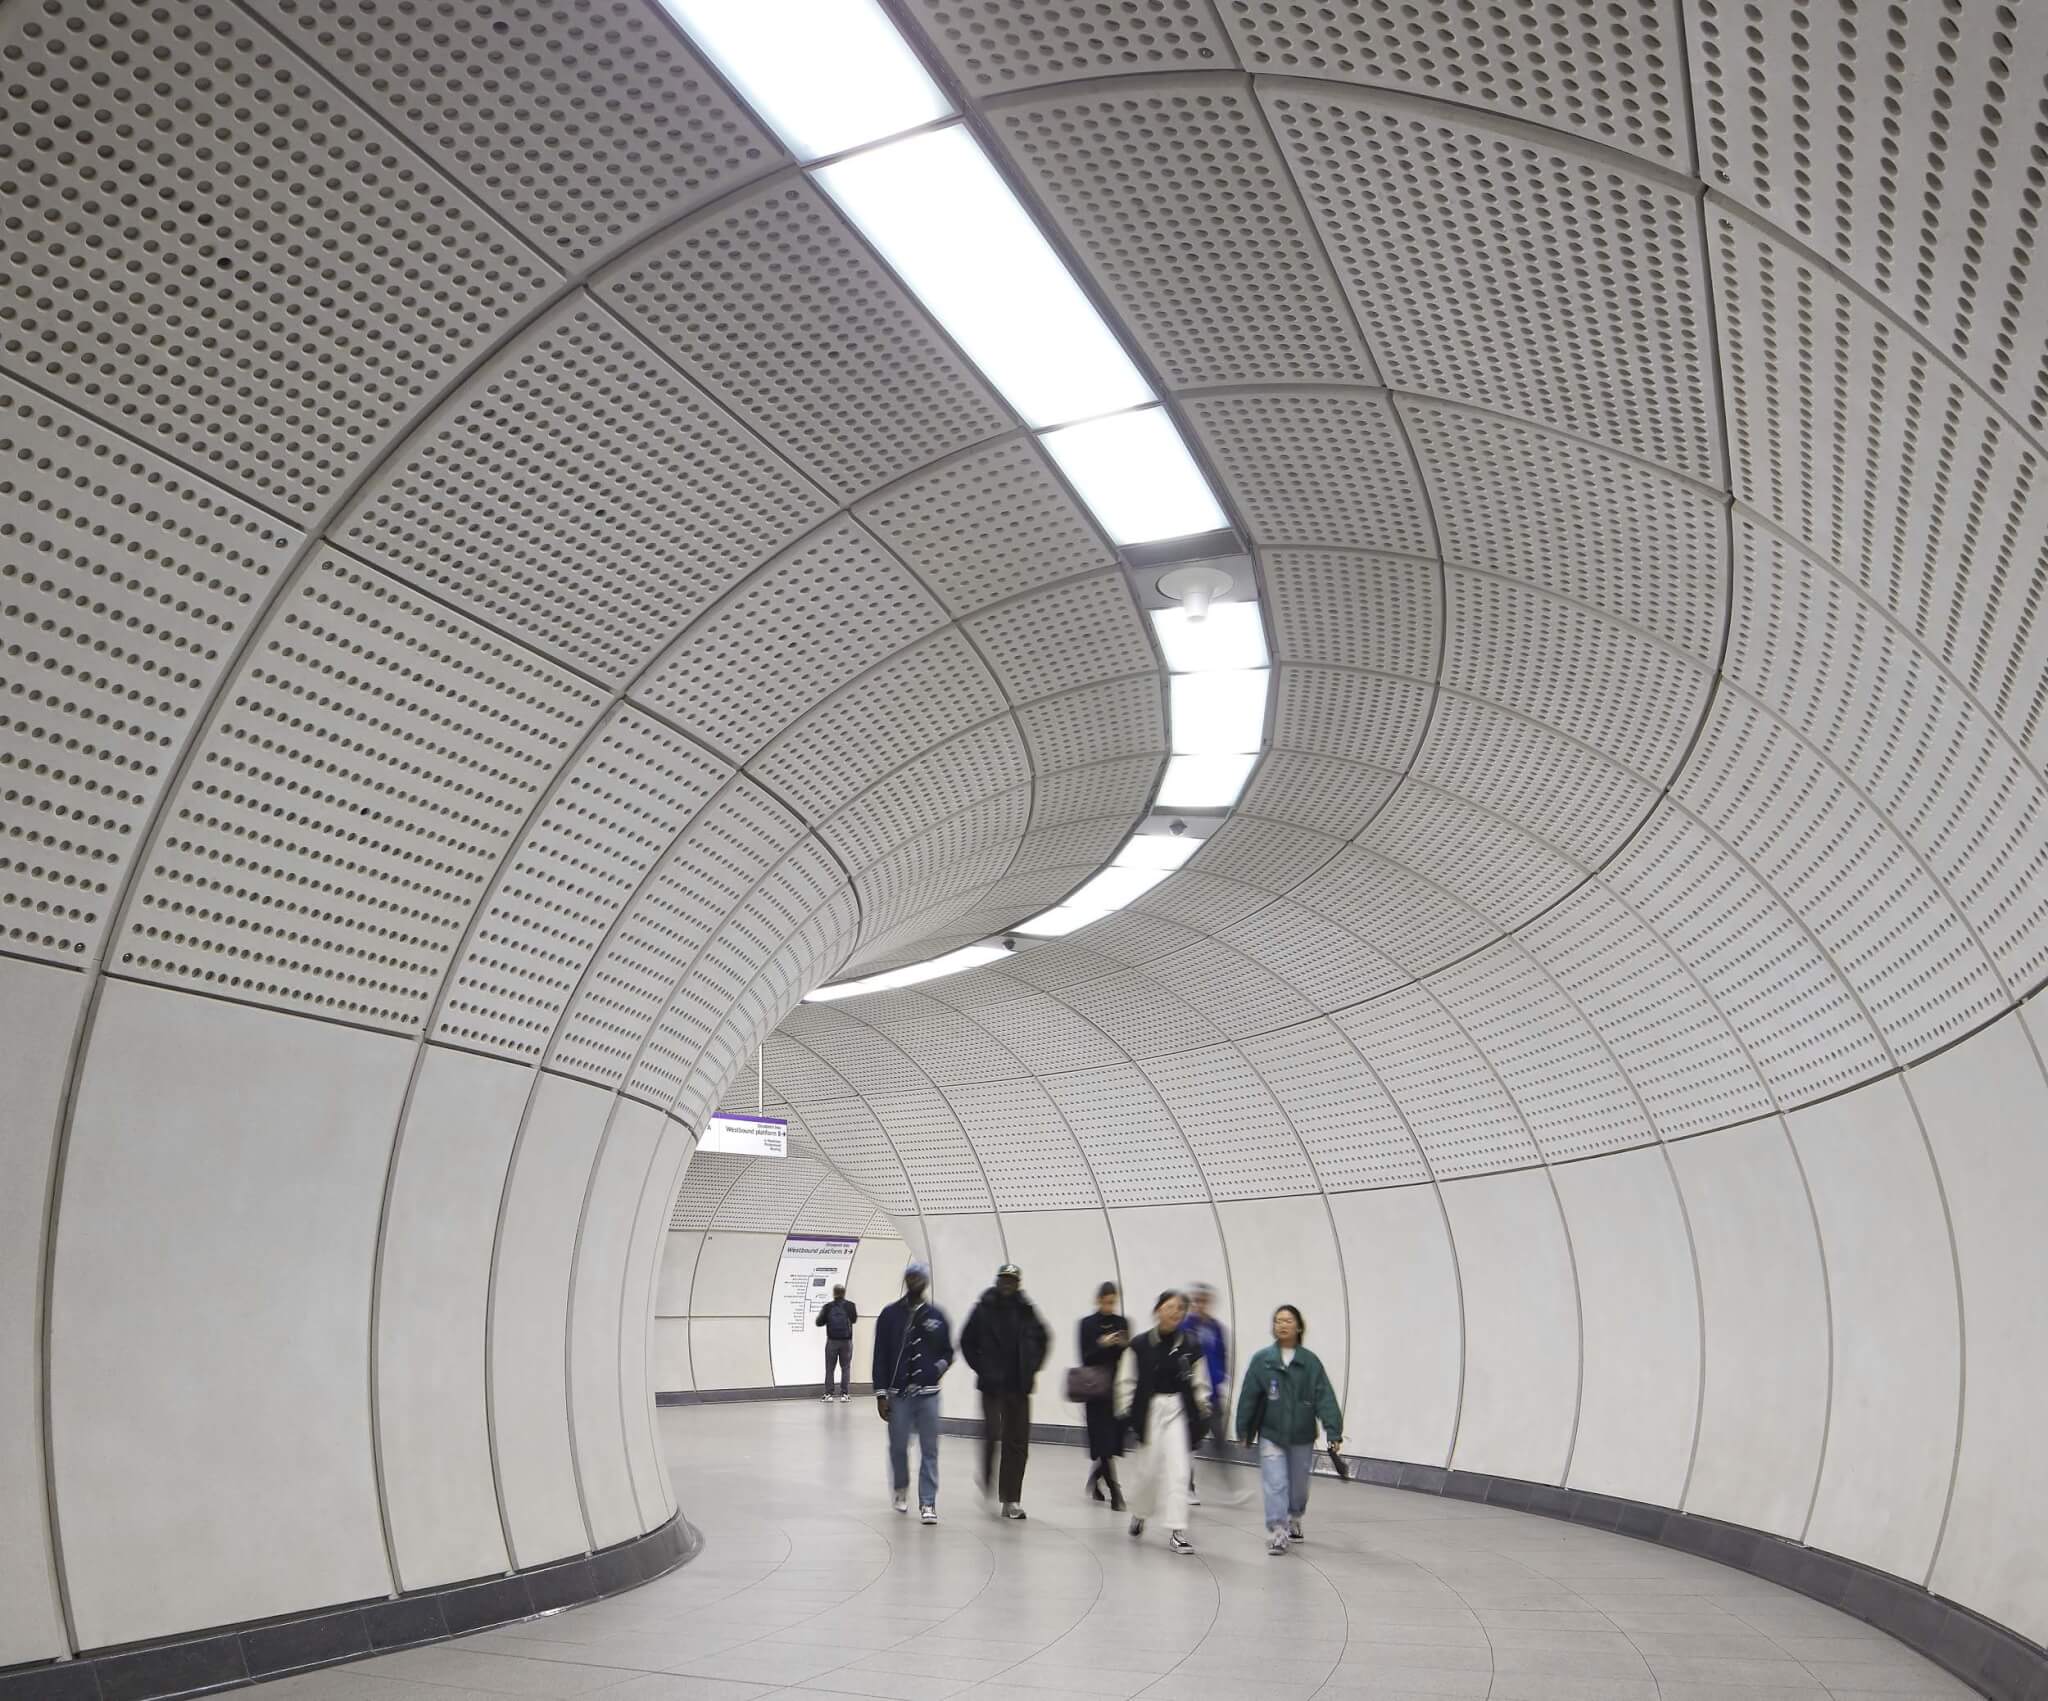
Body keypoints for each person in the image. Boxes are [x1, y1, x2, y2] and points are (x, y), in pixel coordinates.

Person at [1235, 1304, 1344, 1556]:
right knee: (1274, 1483)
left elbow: (1324, 1397)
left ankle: (1295, 1515)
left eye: (1288, 1320)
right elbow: (1248, 1396)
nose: (1282, 1324)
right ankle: (1278, 1531)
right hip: (1271, 1433)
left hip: (1302, 1435)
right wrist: (1243, 1429)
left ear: (1299, 1326)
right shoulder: (1262, 1361)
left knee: (1298, 1487)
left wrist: (1333, 1431)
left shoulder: (1310, 1362)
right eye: (1278, 1320)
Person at [1113, 1290, 1210, 1554]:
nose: (1174, 1312)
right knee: (1148, 1469)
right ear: (1158, 1310)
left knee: (1179, 1471)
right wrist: (1126, 1410)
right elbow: (1126, 1380)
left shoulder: (1191, 1345)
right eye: (1169, 1307)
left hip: (1178, 1408)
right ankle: (1140, 1513)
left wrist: (1203, 1407)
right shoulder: (1140, 1344)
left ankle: (1177, 1531)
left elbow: (1200, 1381)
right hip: (1150, 1408)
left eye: (1180, 1309)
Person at [959, 1261, 1049, 1520]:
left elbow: (1044, 1339)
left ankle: (1011, 1499)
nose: (1007, 1283)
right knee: (992, 1433)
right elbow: (966, 1341)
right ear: (997, 1280)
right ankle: (987, 1476)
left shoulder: (1027, 1311)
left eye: (1012, 1279)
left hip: (1019, 1386)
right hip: (991, 1385)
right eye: (1004, 1279)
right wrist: (981, 1367)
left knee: (1017, 1442)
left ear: (1018, 1283)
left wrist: (1032, 1367)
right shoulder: (983, 1309)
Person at [873, 1260, 953, 1524]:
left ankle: (928, 1503)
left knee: (930, 1449)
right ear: (906, 1280)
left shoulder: (936, 1316)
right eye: (911, 1276)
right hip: (899, 1394)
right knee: (898, 1446)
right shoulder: (890, 1315)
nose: (915, 1280)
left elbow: (948, 1351)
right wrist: (881, 1394)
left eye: (919, 1277)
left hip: (928, 1393)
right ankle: (900, 1487)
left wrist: (936, 1369)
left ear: (926, 1282)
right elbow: (880, 1355)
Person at [1077, 1282, 1128, 1510]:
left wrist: (1121, 1344)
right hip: (1096, 1389)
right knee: (1103, 1442)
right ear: (1098, 1301)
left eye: (1113, 1302)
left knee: (1112, 1443)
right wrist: (1102, 1344)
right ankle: (1115, 1492)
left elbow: (1127, 1354)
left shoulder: (1121, 1323)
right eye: (1106, 1302)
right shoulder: (1087, 1325)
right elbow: (1085, 1357)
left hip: (1116, 1389)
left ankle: (1095, 1480)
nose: (1110, 1306)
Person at [1182, 1281, 1229, 1501]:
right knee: (1190, 1441)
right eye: (1197, 1301)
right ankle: (1187, 1485)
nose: (1200, 1305)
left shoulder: (1215, 1328)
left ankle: (1227, 1483)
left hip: (1212, 1393)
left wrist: (1220, 1378)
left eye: (1204, 1301)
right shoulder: (1185, 1326)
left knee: (1218, 1436)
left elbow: (1222, 1355)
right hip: (1191, 1393)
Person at [813, 1283, 856, 1401]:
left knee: (830, 1368)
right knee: (845, 1367)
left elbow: (819, 1322)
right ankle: (845, 1394)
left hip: (832, 1341)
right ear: (844, 1293)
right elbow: (854, 1319)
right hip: (846, 1342)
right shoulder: (850, 1306)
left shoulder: (828, 1307)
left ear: (834, 1293)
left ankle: (828, 1394)